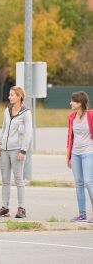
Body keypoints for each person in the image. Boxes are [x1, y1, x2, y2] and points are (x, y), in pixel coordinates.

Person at [0, 86, 32, 219]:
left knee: (18, 180)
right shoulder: (6, 111)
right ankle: (5, 208)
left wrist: (23, 150)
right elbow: (4, 129)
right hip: (4, 149)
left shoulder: (26, 113)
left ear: (19, 96)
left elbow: (28, 133)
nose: (9, 97)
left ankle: (22, 208)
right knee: (5, 180)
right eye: (9, 95)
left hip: (17, 150)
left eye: (12, 95)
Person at [67, 91, 93, 223]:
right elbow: (70, 138)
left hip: (89, 152)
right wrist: (69, 156)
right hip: (75, 154)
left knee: (89, 182)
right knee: (79, 183)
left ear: (81, 103)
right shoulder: (71, 117)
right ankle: (82, 213)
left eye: (74, 101)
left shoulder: (91, 115)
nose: (71, 103)